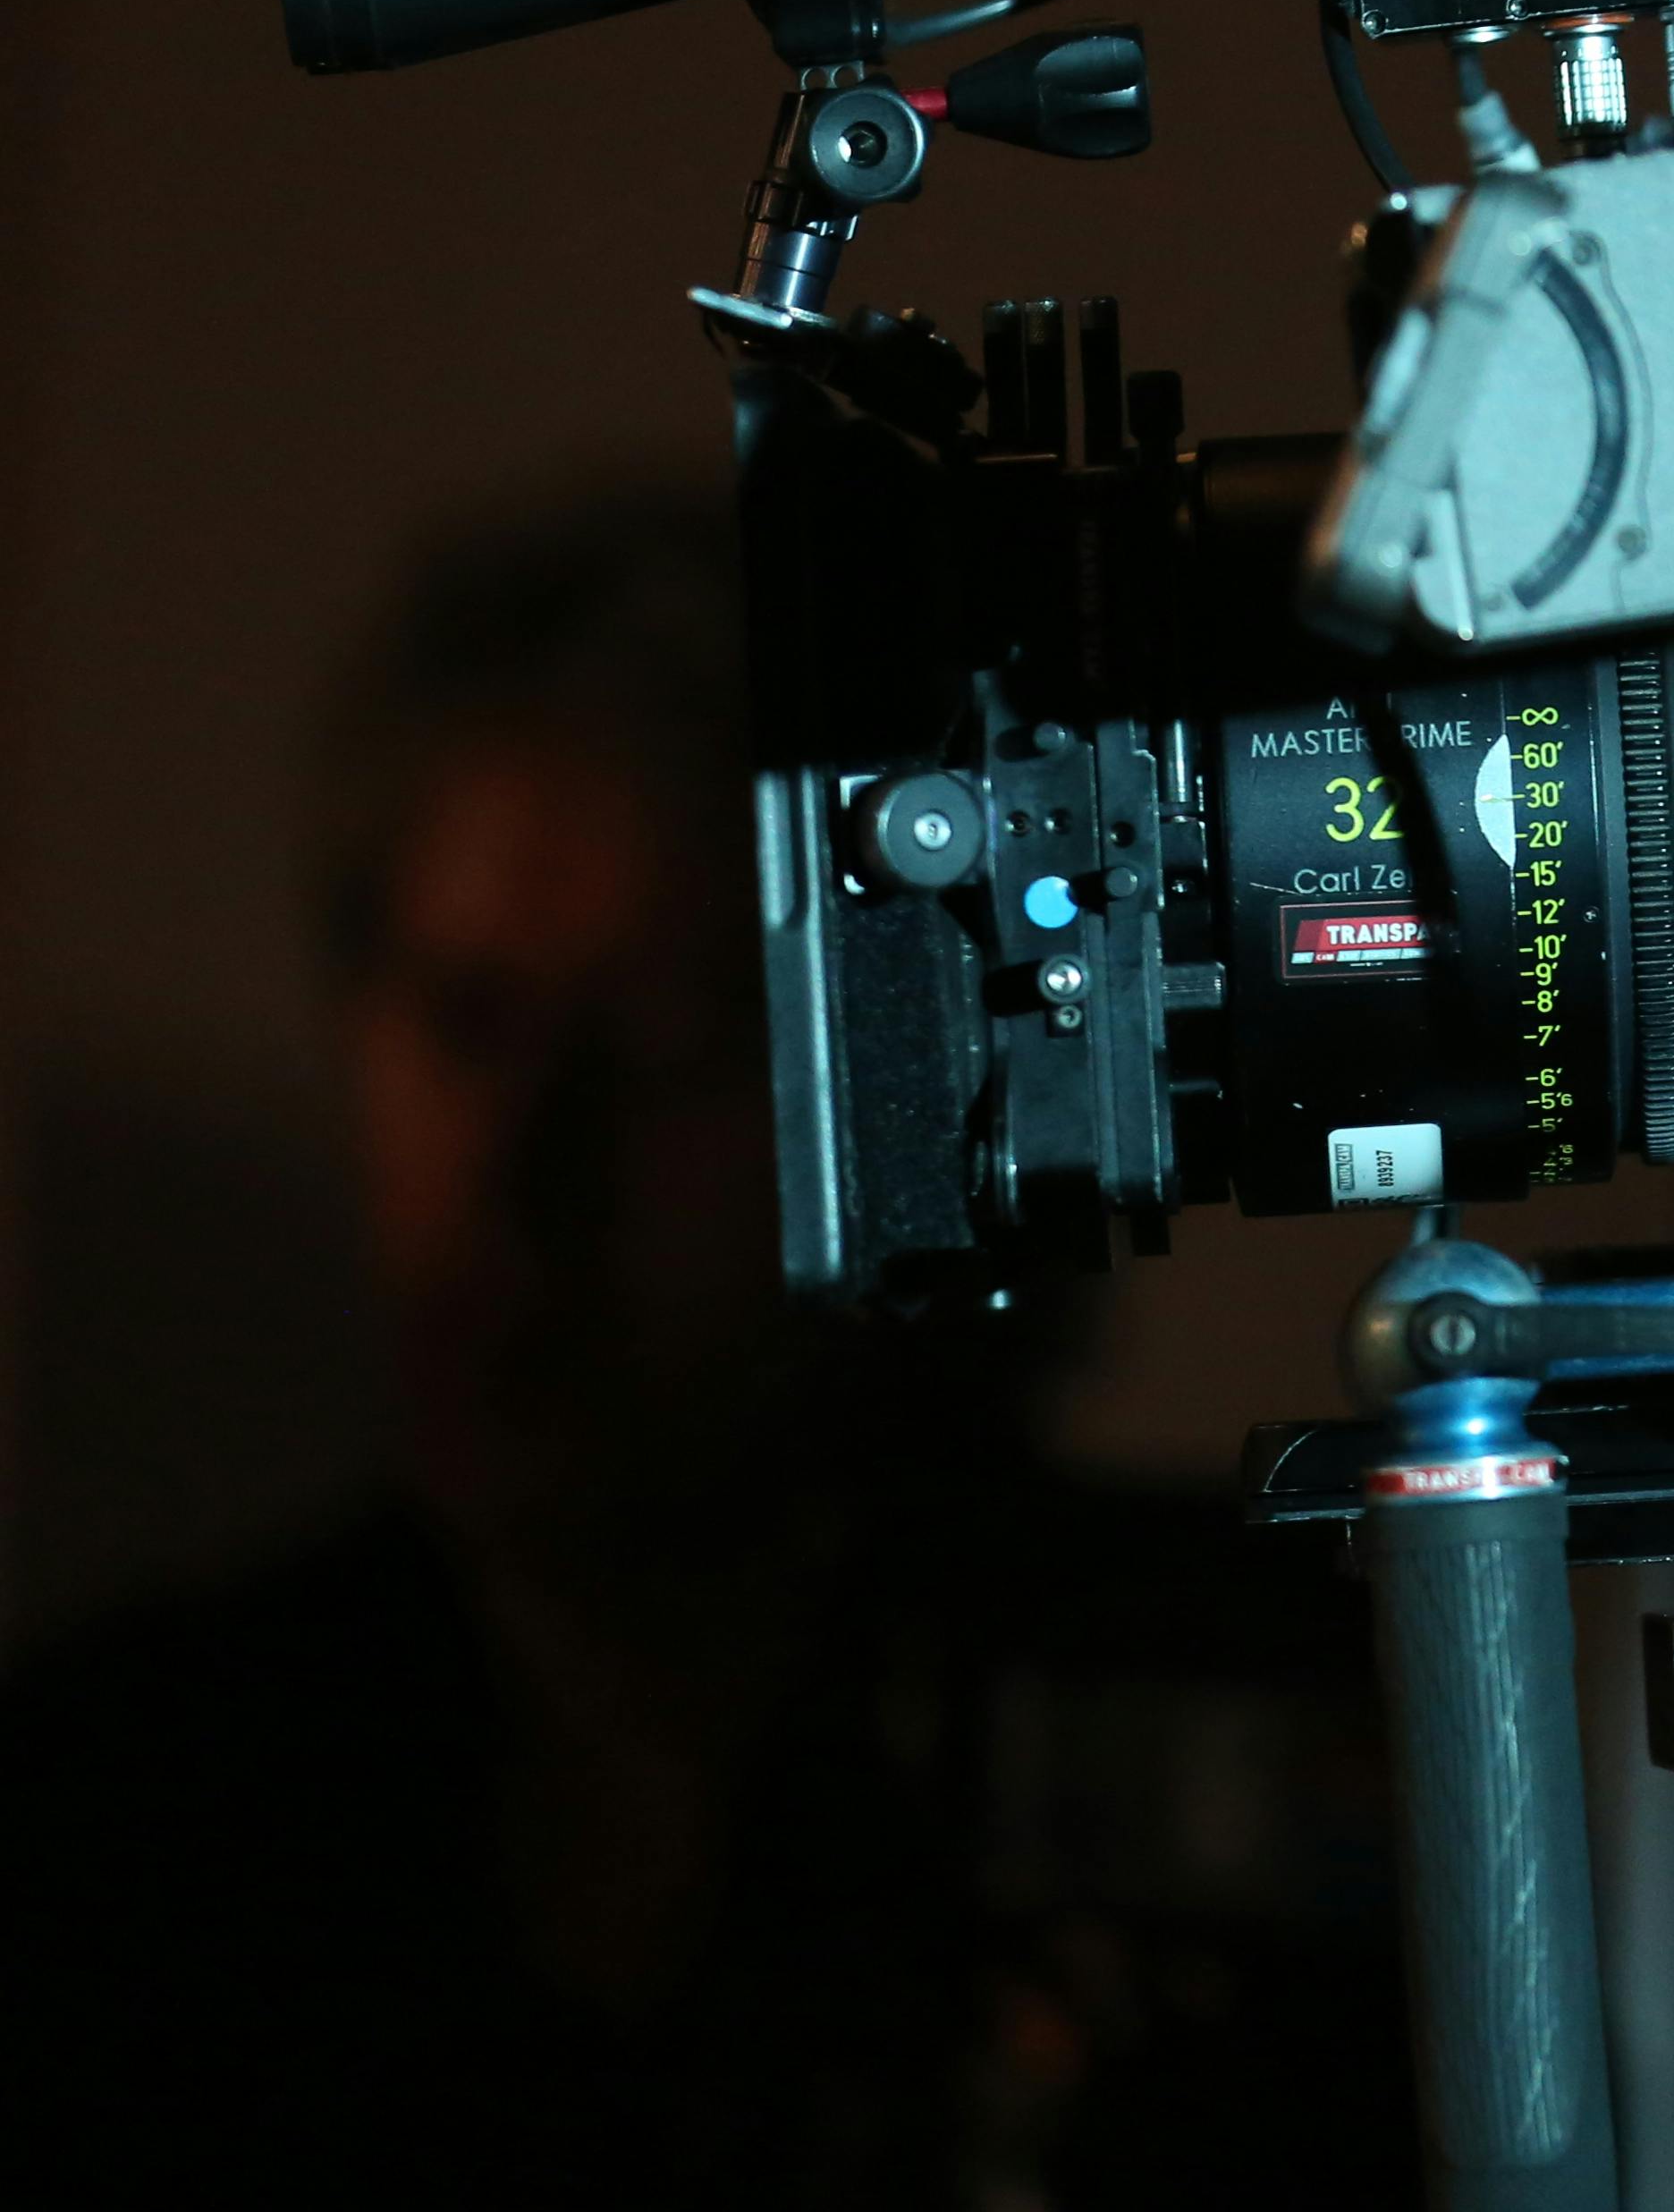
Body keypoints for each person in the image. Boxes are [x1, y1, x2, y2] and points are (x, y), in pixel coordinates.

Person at [3, 489, 1410, 2207]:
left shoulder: (1237, 1744)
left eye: (674, 1047)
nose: (528, 1168)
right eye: (468, 1021)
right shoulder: (125, 1808)